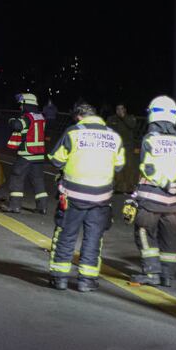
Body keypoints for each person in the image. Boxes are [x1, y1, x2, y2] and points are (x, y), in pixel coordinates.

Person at [48, 103, 125, 292]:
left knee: (66, 235)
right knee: (93, 239)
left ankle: (60, 278)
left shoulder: (73, 132)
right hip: (101, 198)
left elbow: (56, 159)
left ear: (79, 117)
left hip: (73, 196)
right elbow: (119, 165)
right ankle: (87, 281)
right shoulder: (114, 135)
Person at [128, 96, 176, 287]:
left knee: (144, 233)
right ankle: (167, 276)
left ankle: (151, 274)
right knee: (169, 238)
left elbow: (147, 167)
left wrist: (165, 183)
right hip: (174, 203)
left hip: (151, 201)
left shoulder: (150, 139)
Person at [4, 93, 48, 214]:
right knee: (38, 180)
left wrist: (11, 120)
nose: (20, 108)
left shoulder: (27, 117)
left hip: (26, 154)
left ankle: (14, 206)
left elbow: (17, 125)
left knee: (17, 178)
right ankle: (42, 207)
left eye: (21, 105)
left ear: (26, 104)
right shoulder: (41, 117)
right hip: (39, 155)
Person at [106, 103, 138, 193]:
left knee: (129, 168)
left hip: (128, 147)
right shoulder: (111, 119)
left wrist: (124, 117)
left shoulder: (130, 118)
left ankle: (129, 188)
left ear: (125, 110)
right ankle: (118, 187)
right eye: (117, 109)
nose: (119, 111)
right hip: (115, 147)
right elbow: (108, 130)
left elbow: (132, 125)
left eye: (121, 109)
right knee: (117, 168)